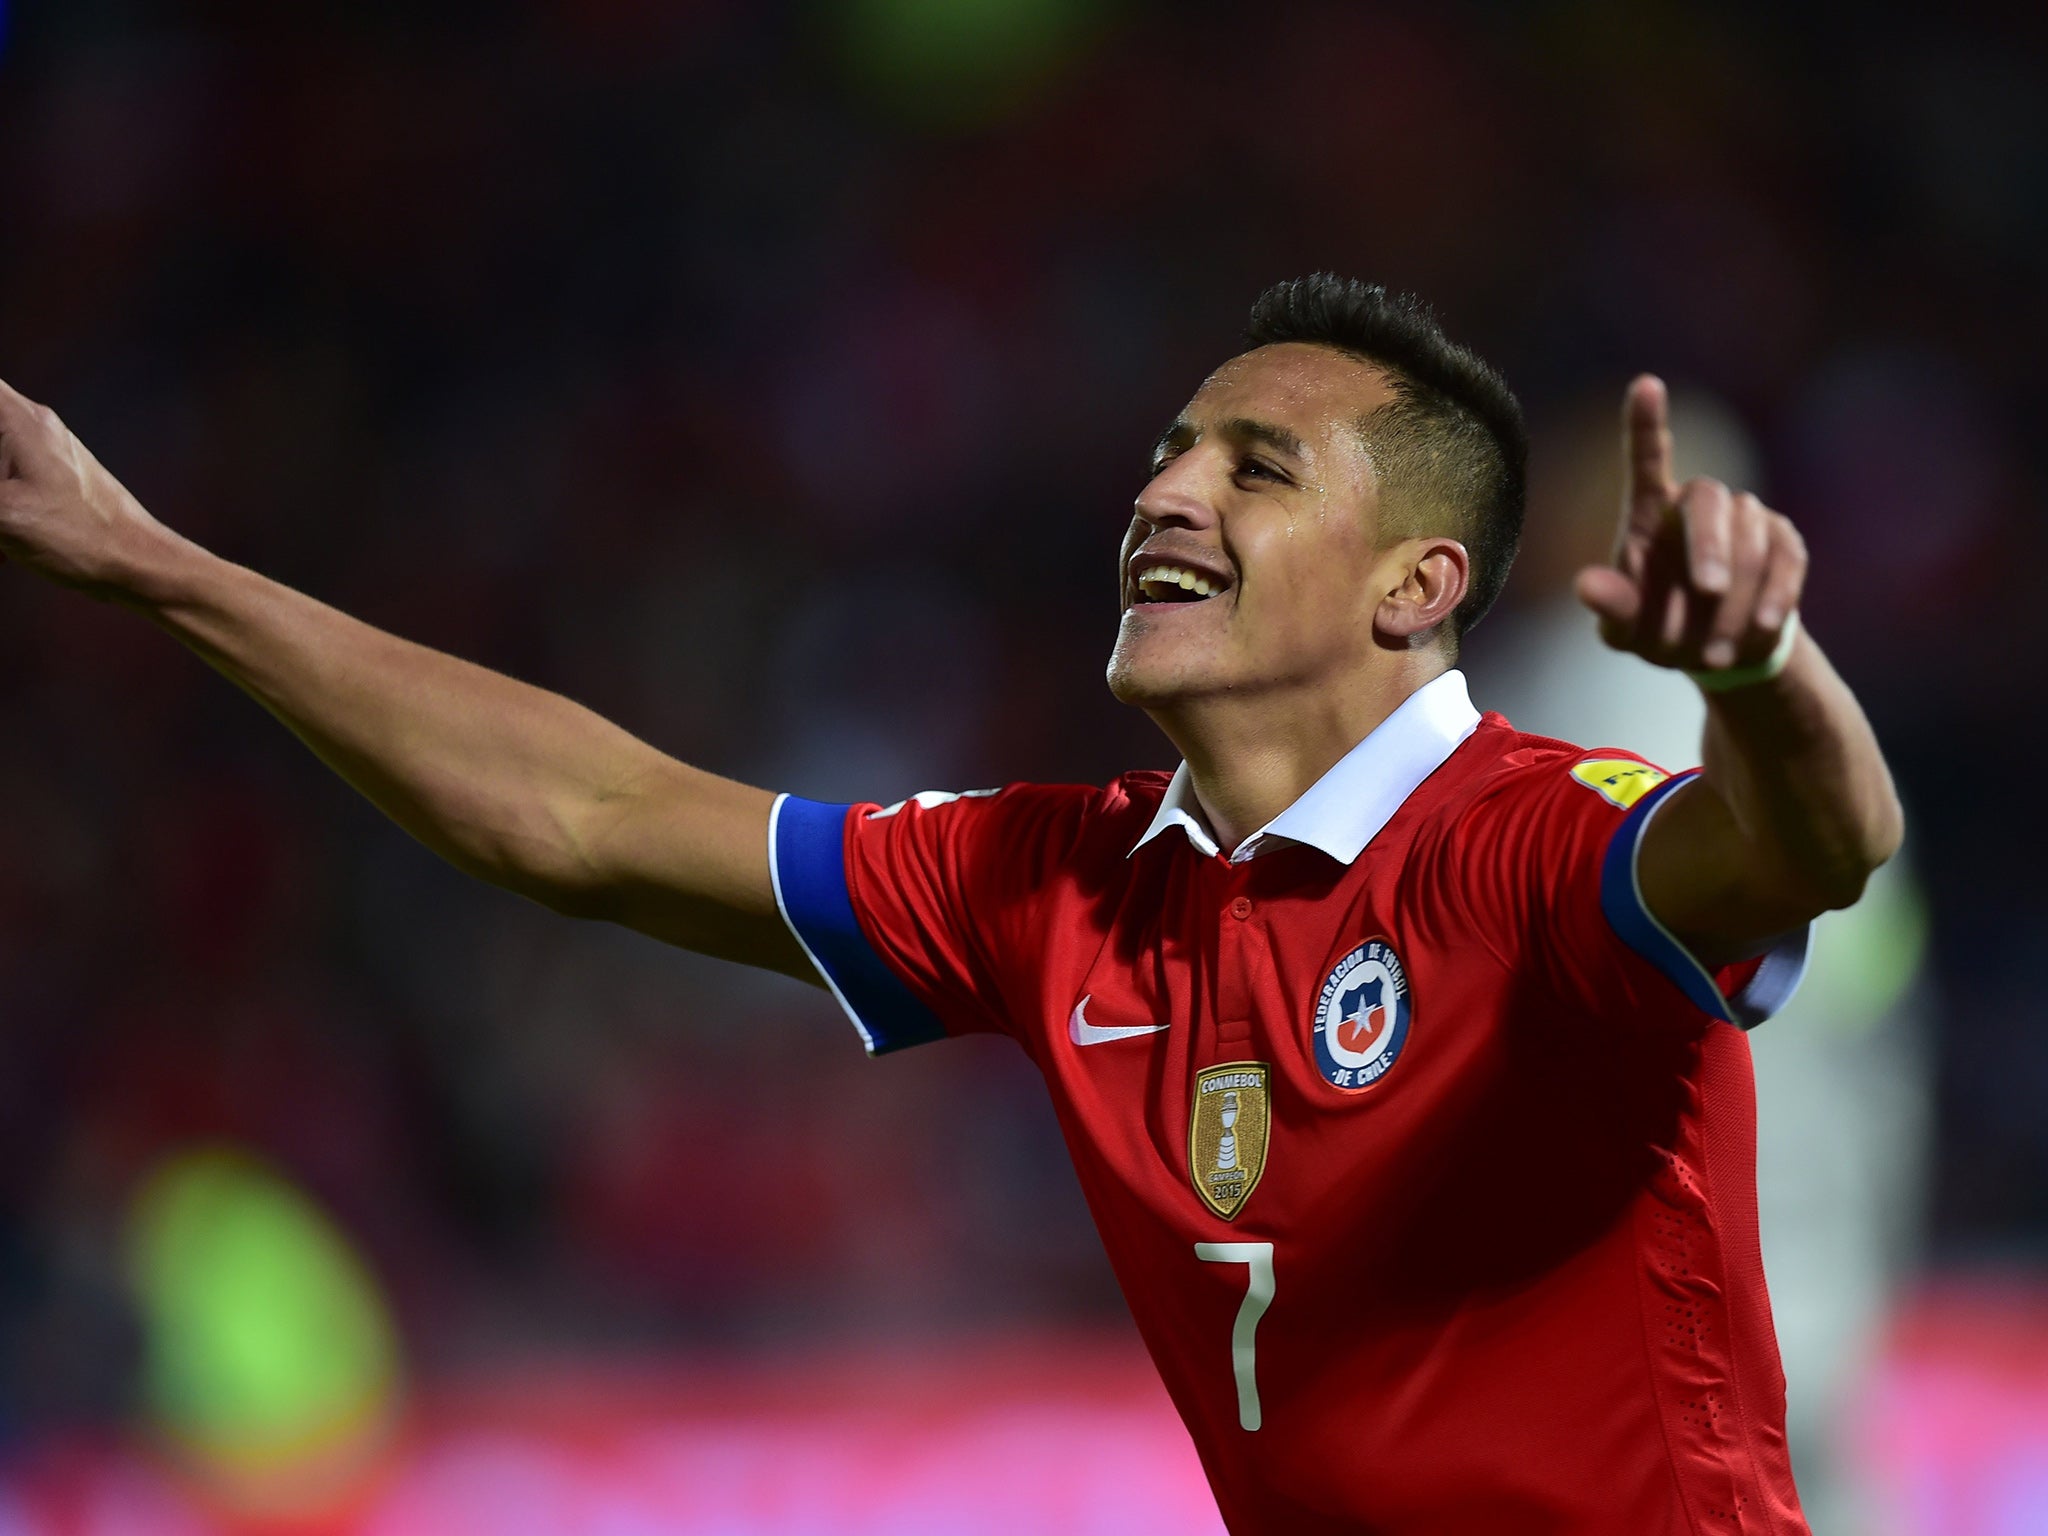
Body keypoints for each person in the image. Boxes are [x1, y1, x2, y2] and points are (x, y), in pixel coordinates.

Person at [0, 274, 1902, 1534]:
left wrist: (1758, 670)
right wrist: (154, 565)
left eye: (1257, 467)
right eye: (1169, 449)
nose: (1168, 494)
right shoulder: (1054, 879)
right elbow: (580, 817)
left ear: (1416, 586)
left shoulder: (1532, 839)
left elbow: (1818, 845)